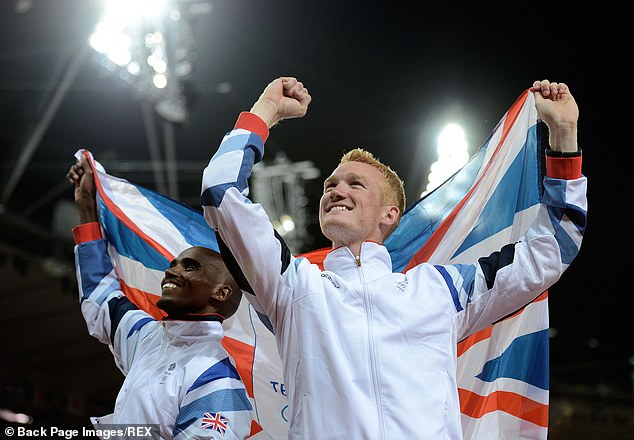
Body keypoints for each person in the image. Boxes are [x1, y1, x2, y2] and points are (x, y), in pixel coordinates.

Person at [200, 77, 586, 439]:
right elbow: (221, 193)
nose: (336, 190)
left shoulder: (439, 290)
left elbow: (552, 248)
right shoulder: (292, 286)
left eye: (355, 184)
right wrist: (265, 110)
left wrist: (564, 135)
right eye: (330, 184)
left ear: (390, 215)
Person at [67, 154, 253, 440]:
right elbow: (100, 299)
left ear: (221, 292)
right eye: (173, 264)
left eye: (189, 267)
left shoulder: (218, 380)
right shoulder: (147, 338)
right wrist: (88, 209)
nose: (171, 272)